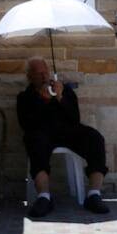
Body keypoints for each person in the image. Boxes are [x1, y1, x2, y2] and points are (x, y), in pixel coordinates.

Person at [17, 57, 110, 217]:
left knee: (95, 138)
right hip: (42, 135)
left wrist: (60, 97)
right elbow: (27, 125)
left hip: (68, 132)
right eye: (38, 74)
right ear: (30, 77)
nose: (44, 77)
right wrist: (43, 101)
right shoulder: (25, 97)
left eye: (45, 72)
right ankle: (44, 197)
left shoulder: (64, 90)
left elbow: (75, 118)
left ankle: (94, 194)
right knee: (34, 141)